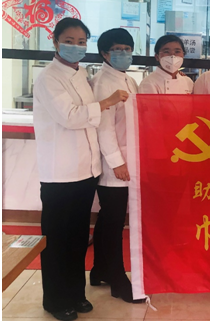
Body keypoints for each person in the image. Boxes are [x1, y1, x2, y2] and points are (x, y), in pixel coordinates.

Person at [33, 18, 128, 321]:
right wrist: (106, 102)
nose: (76, 47)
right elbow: (71, 117)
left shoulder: (81, 74)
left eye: (81, 42)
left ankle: (75, 293)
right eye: (69, 41)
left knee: (77, 238)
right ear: (55, 41)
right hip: (60, 173)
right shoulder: (48, 78)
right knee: (57, 239)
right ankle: (55, 300)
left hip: (86, 171)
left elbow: (90, 121)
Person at [89, 29, 145, 304]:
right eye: (117, 49)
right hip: (115, 166)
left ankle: (100, 269)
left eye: (127, 48)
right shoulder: (102, 82)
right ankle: (118, 280)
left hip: (128, 160)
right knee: (113, 222)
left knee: (109, 218)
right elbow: (104, 128)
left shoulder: (129, 79)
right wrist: (117, 162)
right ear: (104, 53)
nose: (124, 53)